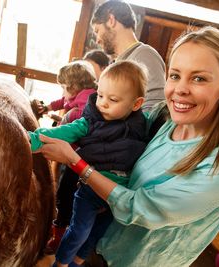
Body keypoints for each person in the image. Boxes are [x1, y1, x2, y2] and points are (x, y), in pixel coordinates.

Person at [33, 26, 219, 266]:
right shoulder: (162, 118)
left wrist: (76, 162)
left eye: (199, 78)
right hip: (99, 246)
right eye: (175, 75)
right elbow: (112, 135)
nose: (180, 89)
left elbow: (138, 208)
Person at [29, 60, 150, 267]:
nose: (102, 103)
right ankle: (61, 263)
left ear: (136, 104)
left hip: (119, 195)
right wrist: (31, 139)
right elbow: (61, 132)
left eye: (112, 99)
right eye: (100, 95)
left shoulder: (142, 125)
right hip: (91, 190)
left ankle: (76, 262)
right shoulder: (89, 121)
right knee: (79, 230)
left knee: (97, 234)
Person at [91, 0, 166, 112]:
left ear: (111, 20)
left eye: (97, 30)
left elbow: (154, 109)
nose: (97, 40)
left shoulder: (144, 54)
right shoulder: (119, 61)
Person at [35, 60, 97, 125]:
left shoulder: (87, 96)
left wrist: (69, 116)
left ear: (74, 87)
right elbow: (63, 101)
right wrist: (47, 107)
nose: (63, 93)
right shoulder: (75, 94)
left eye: (63, 88)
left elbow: (86, 115)